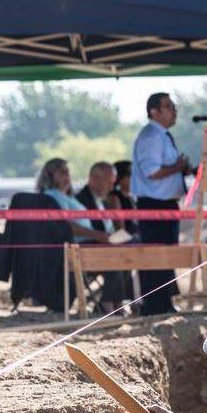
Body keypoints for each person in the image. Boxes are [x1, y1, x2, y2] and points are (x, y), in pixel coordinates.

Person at [131, 92, 194, 315]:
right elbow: (152, 172)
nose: (174, 110)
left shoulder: (163, 136)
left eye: (173, 105)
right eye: (168, 106)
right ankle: (154, 307)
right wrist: (177, 168)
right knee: (157, 258)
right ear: (154, 112)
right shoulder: (151, 136)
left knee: (167, 257)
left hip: (166, 203)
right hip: (153, 204)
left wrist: (182, 169)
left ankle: (164, 303)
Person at [76, 161, 133, 309]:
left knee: (132, 247)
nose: (111, 188)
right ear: (94, 178)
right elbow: (95, 231)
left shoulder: (101, 200)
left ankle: (120, 301)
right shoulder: (83, 199)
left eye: (113, 183)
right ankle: (110, 302)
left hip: (103, 243)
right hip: (88, 248)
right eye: (108, 183)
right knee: (118, 253)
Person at [35, 158, 108, 243]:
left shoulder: (69, 197)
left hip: (87, 241)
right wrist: (96, 234)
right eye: (62, 171)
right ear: (50, 175)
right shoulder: (53, 195)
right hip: (76, 245)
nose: (67, 174)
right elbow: (64, 224)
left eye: (67, 171)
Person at [106, 160, 137, 236]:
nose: (135, 177)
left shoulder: (133, 197)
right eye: (130, 174)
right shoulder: (114, 197)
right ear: (120, 177)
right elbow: (120, 230)